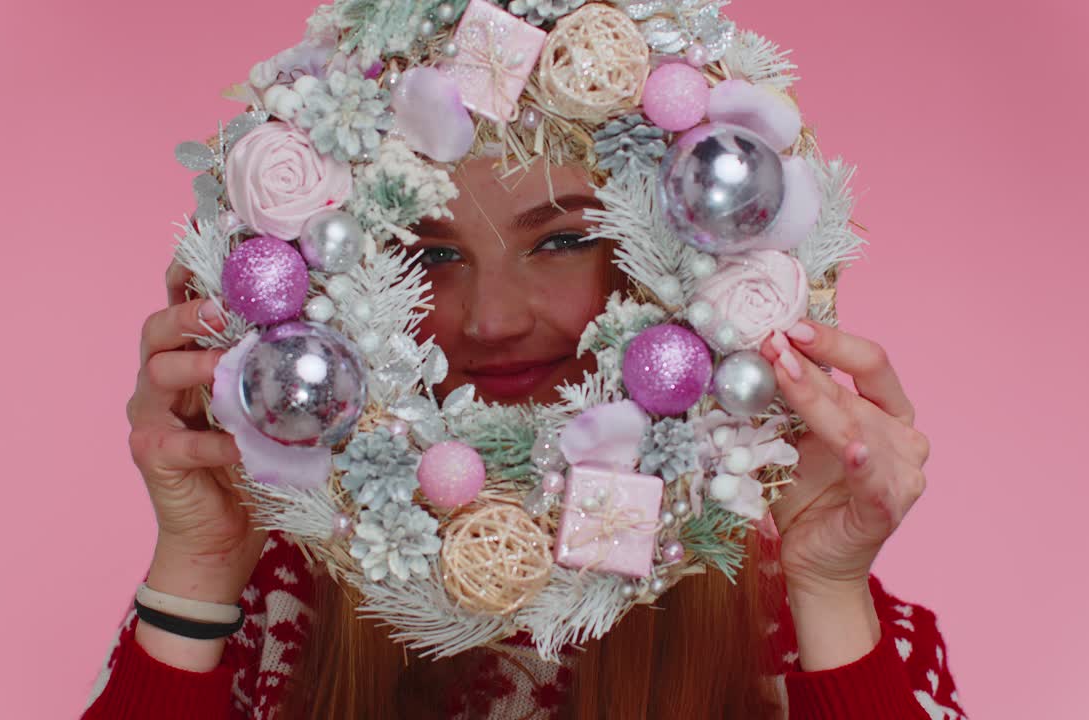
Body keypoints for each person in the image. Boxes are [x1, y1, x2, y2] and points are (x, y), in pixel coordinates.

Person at [85, 156, 967, 719]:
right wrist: (198, 569)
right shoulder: (267, 614)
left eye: (562, 240)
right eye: (431, 254)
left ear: (668, 258)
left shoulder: (805, 628)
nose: (494, 318)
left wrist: (827, 590)